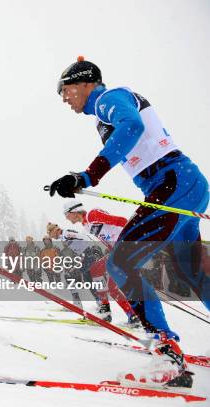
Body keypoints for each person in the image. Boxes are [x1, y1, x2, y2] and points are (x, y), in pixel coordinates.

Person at [50, 56, 209, 387]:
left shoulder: (108, 98)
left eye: (65, 91)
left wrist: (86, 176)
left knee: (121, 262)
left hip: (171, 182)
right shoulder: (104, 111)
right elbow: (130, 140)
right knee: (192, 271)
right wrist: (80, 179)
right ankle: (167, 351)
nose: (65, 99)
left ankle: (167, 355)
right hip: (181, 183)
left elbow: (133, 127)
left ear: (83, 84)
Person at [62, 200, 140, 325]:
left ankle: (105, 309)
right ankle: (132, 316)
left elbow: (122, 221)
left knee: (95, 270)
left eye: (66, 214)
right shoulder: (86, 225)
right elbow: (106, 237)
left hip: (124, 248)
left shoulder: (92, 215)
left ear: (74, 211)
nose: (66, 218)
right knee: (112, 288)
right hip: (117, 251)